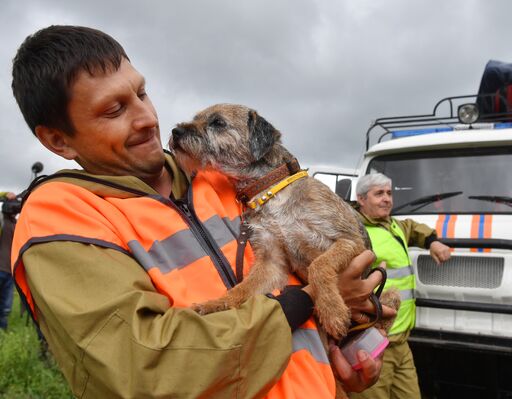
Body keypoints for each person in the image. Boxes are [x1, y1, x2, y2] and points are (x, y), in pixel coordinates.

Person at [10, 25, 392, 398]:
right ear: (58, 140)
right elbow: (148, 369)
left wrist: (342, 368)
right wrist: (306, 300)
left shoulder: (224, 181)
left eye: (142, 93)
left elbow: (329, 276)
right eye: (114, 110)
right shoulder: (60, 220)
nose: (147, 119)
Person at [351, 172, 451, 399]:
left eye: (389, 193)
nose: (387, 199)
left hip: (401, 341)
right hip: (371, 343)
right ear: (361, 199)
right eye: (379, 194)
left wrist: (432, 242)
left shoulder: (394, 225)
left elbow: (414, 227)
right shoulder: (354, 232)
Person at [0, 191, 17, 330]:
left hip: (10, 271)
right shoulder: (1, 220)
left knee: (6, 307)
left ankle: (3, 332)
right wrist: (6, 194)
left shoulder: (16, 224)